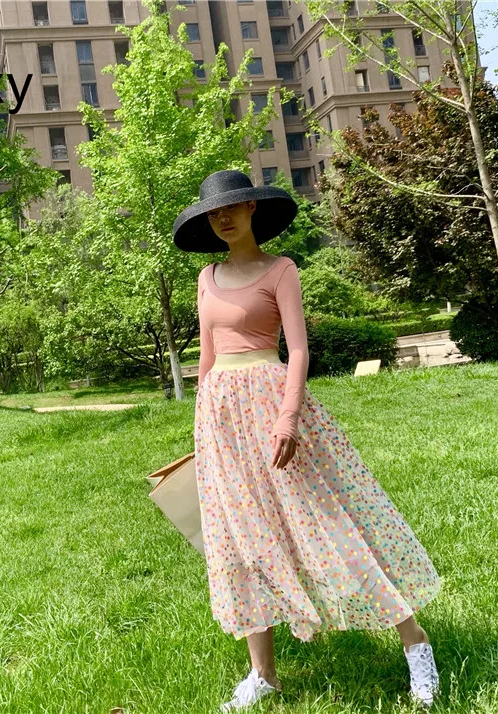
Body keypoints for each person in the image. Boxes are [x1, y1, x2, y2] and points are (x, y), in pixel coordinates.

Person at [172, 170, 442, 711]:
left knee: (329, 527)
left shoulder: (281, 270)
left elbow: (297, 349)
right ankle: (263, 675)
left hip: (272, 405)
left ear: (252, 208)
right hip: (221, 416)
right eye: (213, 213)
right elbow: (206, 356)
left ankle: (415, 644)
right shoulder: (206, 276)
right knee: (240, 543)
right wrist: (203, 430)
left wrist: (288, 418)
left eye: (232, 208)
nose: (223, 219)